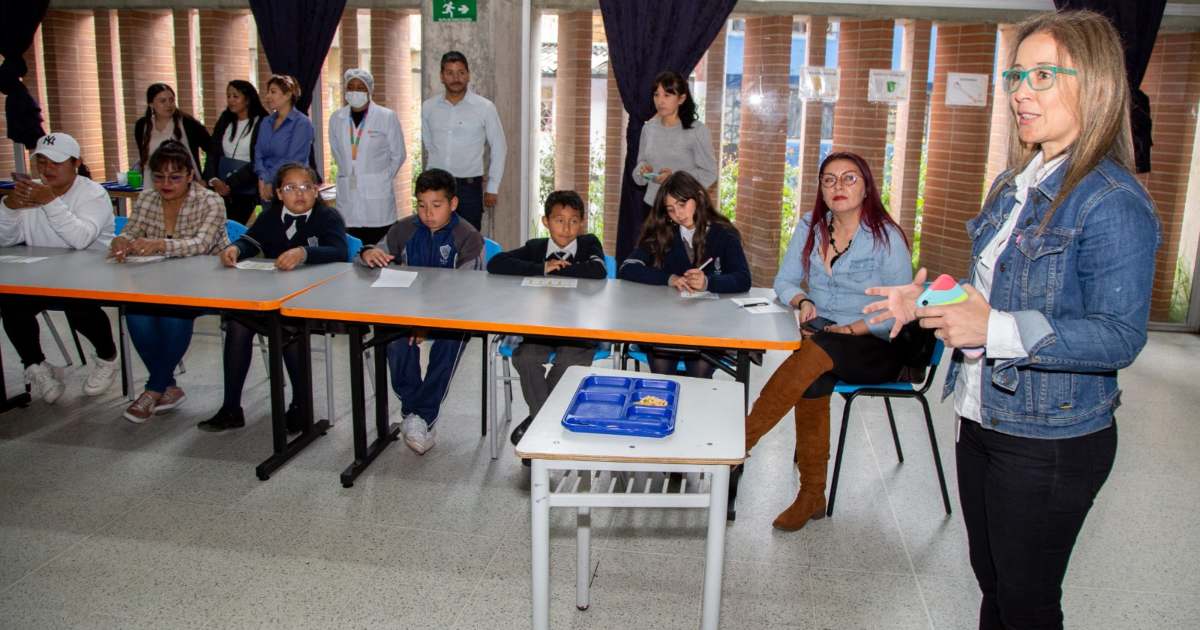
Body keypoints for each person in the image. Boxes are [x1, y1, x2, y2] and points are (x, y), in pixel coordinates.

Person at [863, 11, 1159, 629]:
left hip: (1051, 438)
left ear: (1096, 83)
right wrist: (926, 302)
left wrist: (993, 329)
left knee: (1027, 603)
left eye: (1043, 74)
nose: (1020, 90)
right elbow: (994, 288)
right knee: (993, 587)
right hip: (984, 413)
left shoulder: (1113, 199)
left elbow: (1119, 334)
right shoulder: (1013, 182)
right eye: (1017, 73)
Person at [742, 151, 917, 532]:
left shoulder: (886, 237)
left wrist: (852, 328)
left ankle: (739, 442)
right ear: (821, 190)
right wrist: (803, 301)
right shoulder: (811, 227)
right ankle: (811, 496)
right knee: (815, 373)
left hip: (879, 342)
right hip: (825, 340)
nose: (838, 187)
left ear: (866, 186)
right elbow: (784, 281)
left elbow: (902, 308)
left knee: (819, 350)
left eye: (849, 178)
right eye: (829, 180)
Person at [200, 162, 348, 433]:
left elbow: (339, 251)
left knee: (289, 327)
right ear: (279, 193)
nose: (299, 194)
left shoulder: (328, 218)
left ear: (316, 191)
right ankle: (231, 407)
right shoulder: (270, 216)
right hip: (272, 296)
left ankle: (301, 406)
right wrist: (235, 249)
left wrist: (304, 253)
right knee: (237, 323)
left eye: (306, 187)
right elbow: (252, 241)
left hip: (315, 300)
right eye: (291, 188)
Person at [358, 168, 484, 454]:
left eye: (436, 206)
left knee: (452, 339)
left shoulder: (468, 236)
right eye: (421, 205)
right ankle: (415, 412)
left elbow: (467, 288)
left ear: (453, 204)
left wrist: (427, 323)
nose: (428, 213)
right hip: (408, 310)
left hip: (452, 312)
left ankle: (421, 415)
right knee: (391, 334)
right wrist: (367, 253)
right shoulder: (404, 228)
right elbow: (373, 256)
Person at [109, 140, 230, 424]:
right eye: (159, 177)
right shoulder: (148, 199)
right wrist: (121, 241)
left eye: (175, 177)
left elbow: (201, 244)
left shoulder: (210, 200)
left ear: (190, 175)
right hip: (157, 279)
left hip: (208, 281)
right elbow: (130, 230)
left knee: (175, 313)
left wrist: (159, 244)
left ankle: (153, 388)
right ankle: (168, 385)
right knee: (136, 312)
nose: (166, 184)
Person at [0, 132, 119, 403]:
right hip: (41, 275)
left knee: (78, 305)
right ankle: (37, 366)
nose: (47, 169)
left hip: (92, 274)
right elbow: (7, 240)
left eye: (55, 163)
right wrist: (9, 208)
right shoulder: (34, 190)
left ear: (75, 163)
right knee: (10, 301)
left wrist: (50, 202)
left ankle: (107, 357)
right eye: (42, 162)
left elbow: (80, 240)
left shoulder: (93, 194)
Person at [487, 190, 607, 448]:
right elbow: (496, 263)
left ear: (582, 222)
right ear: (546, 221)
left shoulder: (588, 244)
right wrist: (541, 268)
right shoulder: (536, 248)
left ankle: (535, 425)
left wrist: (563, 270)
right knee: (525, 358)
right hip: (539, 329)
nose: (566, 228)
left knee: (570, 364)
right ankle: (547, 428)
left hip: (578, 332)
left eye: (574, 221)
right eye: (559, 220)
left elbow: (598, 271)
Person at [618, 171, 750, 377]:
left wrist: (708, 282)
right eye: (670, 210)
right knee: (661, 363)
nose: (678, 214)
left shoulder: (723, 233)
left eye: (682, 205)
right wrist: (669, 278)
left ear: (698, 197)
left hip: (710, 325)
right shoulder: (663, 233)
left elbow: (743, 278)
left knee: (700, 367)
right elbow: (627, 267)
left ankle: (694, 409)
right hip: (666, 322)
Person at [421, 51, 507, 232]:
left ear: (468, 75)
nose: (456, 78)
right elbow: (429, 143)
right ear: (442, 76)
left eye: (461, 72)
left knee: (469, 238)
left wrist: (493, 186)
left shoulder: (484, 107)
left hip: (469, 188)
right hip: (436, 185)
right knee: (435, 236)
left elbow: (499, 147)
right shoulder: (429, 107)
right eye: (450, 73)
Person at [329, 68, 406, 246]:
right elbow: (336, 151)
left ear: (369, 90)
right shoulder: (336, 118)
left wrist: (382, 178)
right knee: (352, 247)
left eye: (360, 87)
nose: (355, 91)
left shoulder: (386, 117)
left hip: (378, 197)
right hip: (348, 194)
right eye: (351, 87)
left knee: (380, 248)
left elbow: (399, 154)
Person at [631, 71, 718, 226]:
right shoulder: (648, 129)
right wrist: (643, 171)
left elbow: (710, 173)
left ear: (681, 98)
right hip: (652, 208)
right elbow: (640, 166)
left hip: (684, 212)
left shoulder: (697, 130)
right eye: (656, 95)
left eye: (667, 95)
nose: (660, 101)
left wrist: (674, 180)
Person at [203, 80, 269, 225]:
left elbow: (260, 159)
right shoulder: (225, 120)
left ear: (247, 99)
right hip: (220, 188)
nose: (231, 100)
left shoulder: (263, 122)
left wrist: (230, 184)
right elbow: (213, 152)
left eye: (235, 96)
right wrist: (213, 179)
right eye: (228, 96)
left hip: (247, 188)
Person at [254, 74, 315, 204]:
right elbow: (258, 153)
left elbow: (292, 159)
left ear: (288, 95)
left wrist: (270, 179)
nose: (267, 97)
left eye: (273, 92)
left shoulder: (301, 123)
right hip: (266, 186)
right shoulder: (266, 122)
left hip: (292, 186)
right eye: (267, 92)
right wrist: (262, 177)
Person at [133, 83, 210, 176]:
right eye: (163, 101)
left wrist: (208, 177)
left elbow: (212, 149)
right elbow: (143, 157)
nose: (168, 104)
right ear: (151, 104)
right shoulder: (142, 126)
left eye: (171, 100)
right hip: (153, 182)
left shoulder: (188, 123)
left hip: (185, 183)